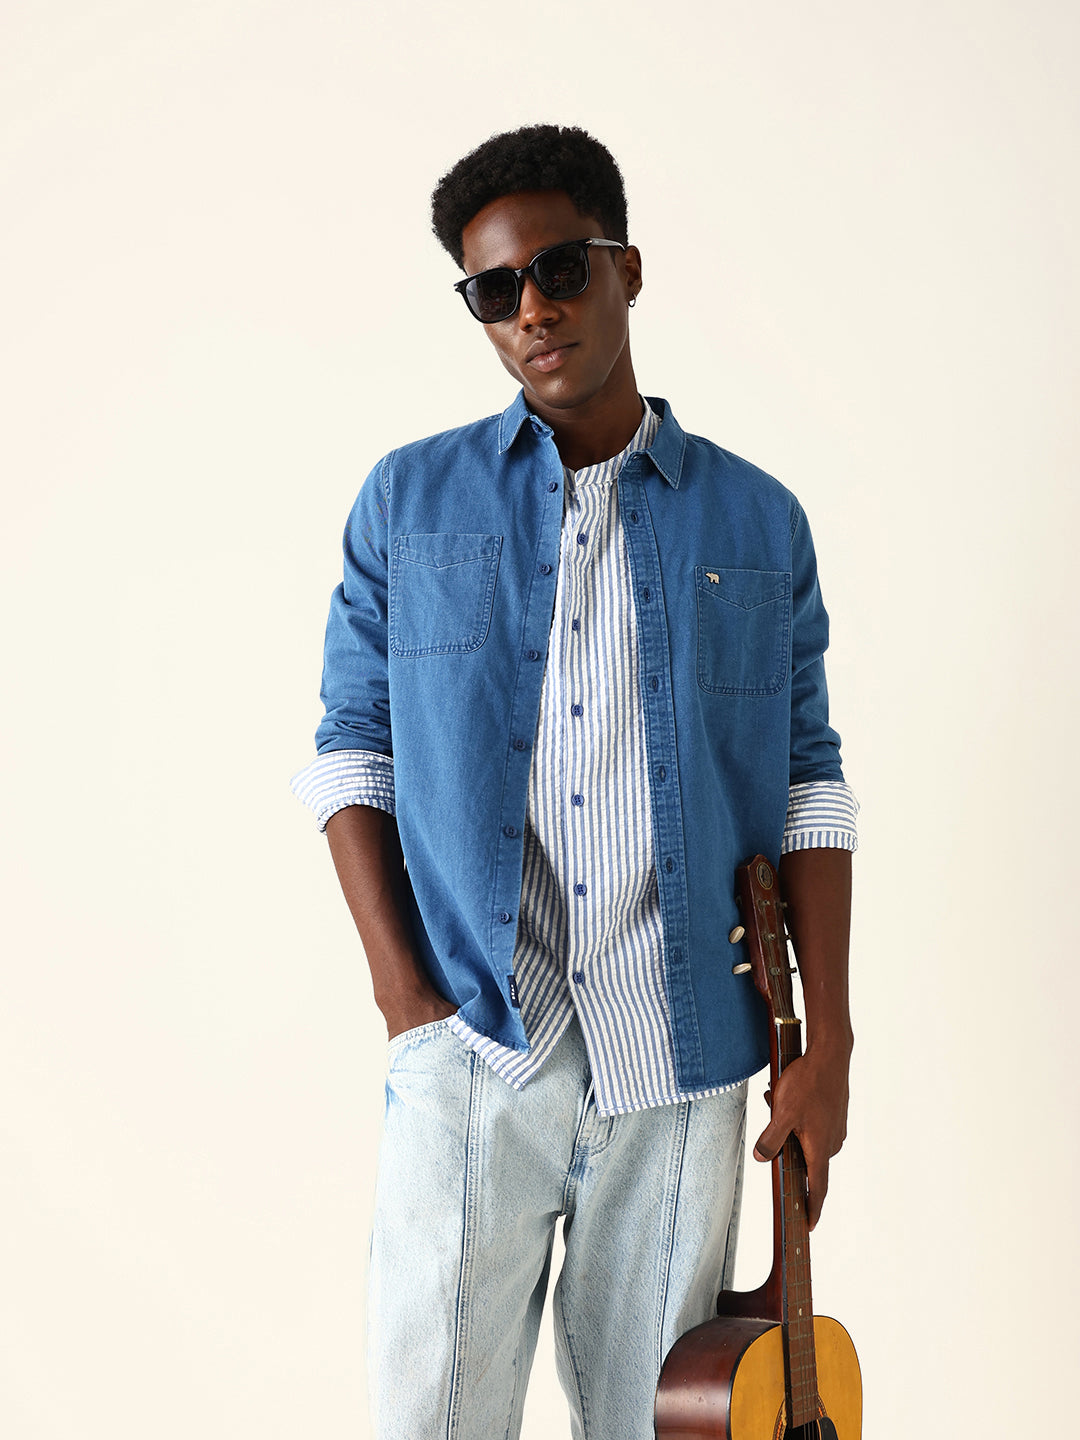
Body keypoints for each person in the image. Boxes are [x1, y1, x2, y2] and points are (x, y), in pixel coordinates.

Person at [291, 123, 857, 1440]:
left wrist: (828, 1043)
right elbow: (351, 750)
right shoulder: (407, 502)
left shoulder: (757, 519)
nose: (533, 310)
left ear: (626, 268)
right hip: (477, 1047)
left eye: (560, 270)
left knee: (662, 1426)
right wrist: (408, 1004)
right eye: (496, 290)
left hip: (684, 1060)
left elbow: (807, 786)